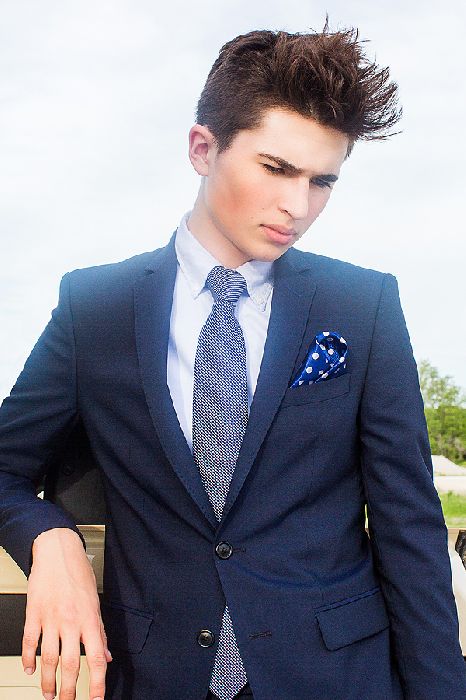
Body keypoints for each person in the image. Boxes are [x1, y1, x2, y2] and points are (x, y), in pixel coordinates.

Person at [0, 21, 465, 700]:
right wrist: (51, 540)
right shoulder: (95, 308)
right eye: (276, 168)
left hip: (337, 678)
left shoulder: (361, 305)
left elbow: (410, 528)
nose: (297, 206)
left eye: (322, 181)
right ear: (202, 148)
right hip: (156, 677)